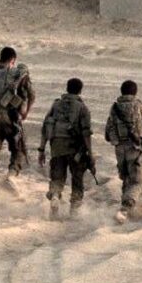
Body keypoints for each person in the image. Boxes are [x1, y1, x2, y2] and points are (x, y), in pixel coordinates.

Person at [0, 47, 35, 194]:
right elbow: (31, 94)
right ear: (13, 60)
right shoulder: (19, 75)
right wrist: (26, 112)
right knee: (19, 149)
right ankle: (11, 175)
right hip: (12, 117)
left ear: (0, 59)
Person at [38, 78, 92, 220]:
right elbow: (86, 133)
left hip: (56, 146)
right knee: (77, 179)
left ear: (67, 88)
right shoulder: (82, 107)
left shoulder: (56, 105)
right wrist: (90, 153)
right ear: (80, 90)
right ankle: (74, 212)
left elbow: (45, 127)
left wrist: (41, 149)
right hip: (75, 149)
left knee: (57, 177)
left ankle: (55, 196)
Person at [105, 80, 142, 224]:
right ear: (135, 92)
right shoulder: (139, 106)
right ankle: (125, 209)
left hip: (119, 149)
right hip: (136, 148)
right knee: (138, 180)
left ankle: (126, 212)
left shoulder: (114, 108)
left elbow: (108, 133)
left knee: (126, 178)